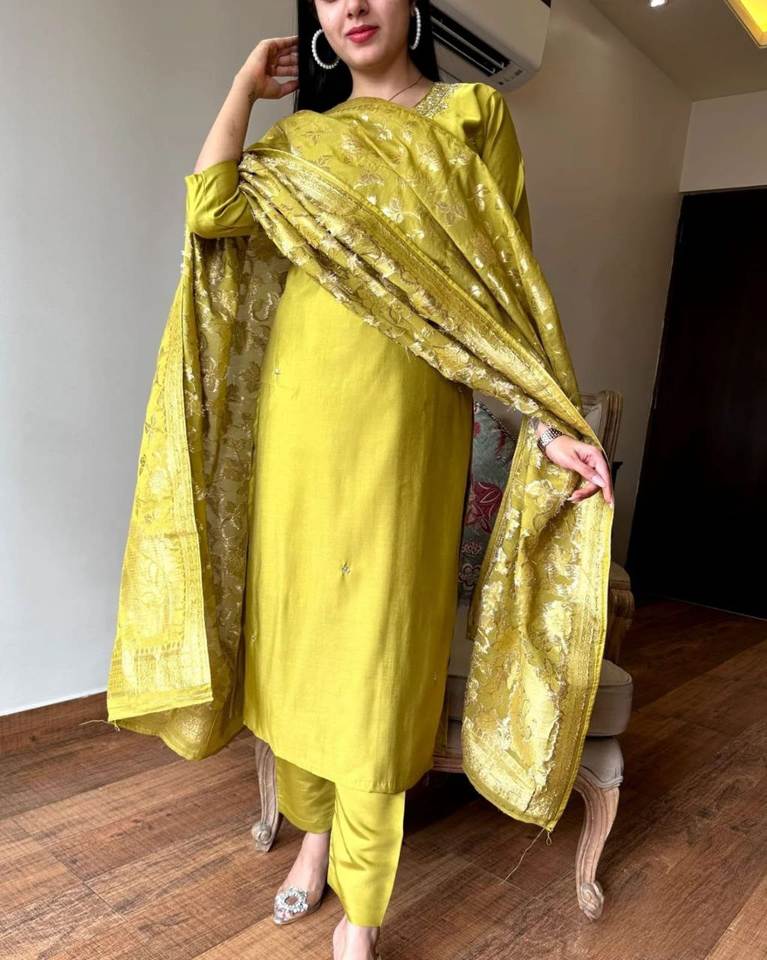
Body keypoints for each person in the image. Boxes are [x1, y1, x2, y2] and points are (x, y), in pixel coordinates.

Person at [106, 3, 614, 959]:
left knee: (376, 658)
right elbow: (210, 211)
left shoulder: (470, 116)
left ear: (411, 5)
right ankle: (312, 839)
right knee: (298, 644)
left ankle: (363, 909)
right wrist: (243, 89)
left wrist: (546, 421)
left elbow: (502, 288)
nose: (351, 6)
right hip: (298, 422)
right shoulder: (299, 142)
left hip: (407, 427)